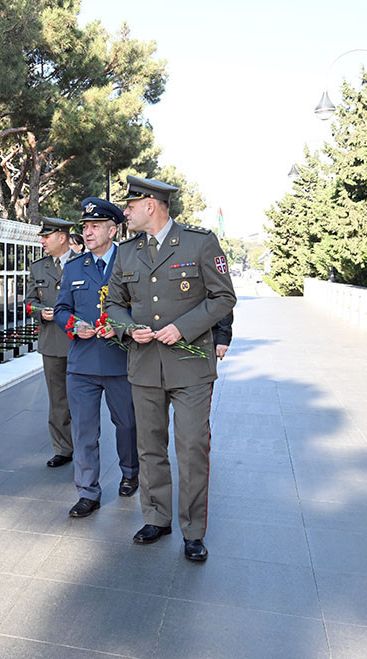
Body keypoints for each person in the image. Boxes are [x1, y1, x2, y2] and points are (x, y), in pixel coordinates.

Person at [105, 175, 236, 562]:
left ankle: (193, 531)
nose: (125, 212)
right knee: (150, 447)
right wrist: (129, 329)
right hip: (144, 365)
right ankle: (156, 517)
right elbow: (112, 304)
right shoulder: (127, 252)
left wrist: (184, 327)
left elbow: (223, 296)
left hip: (191, 365)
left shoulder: (199, 242)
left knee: (193, 447)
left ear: (151, 206)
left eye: (131, 205)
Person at [54, 198, 140, 517]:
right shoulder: (75, 267)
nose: (87, 233)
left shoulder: (130, 263)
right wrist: (72, 324)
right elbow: (62, 309)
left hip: (122, 362)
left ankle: (130, 471)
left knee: (128, 425)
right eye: (85, 227)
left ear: (112, 230)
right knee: (84, 431)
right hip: (83, 364)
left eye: (94, 227)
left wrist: (120, 327)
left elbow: (142, 308)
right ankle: (88, 491)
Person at [24, 216, 77, 468]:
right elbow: (28, 301)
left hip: (82, 341)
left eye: (47, 236)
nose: (42, 241)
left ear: (62, 237)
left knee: (83, 398)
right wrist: (39, 311)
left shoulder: (84, 263)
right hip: (53, 342)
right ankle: (63, 448)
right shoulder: (38, 267)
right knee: (58, 399)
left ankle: (87, 446)